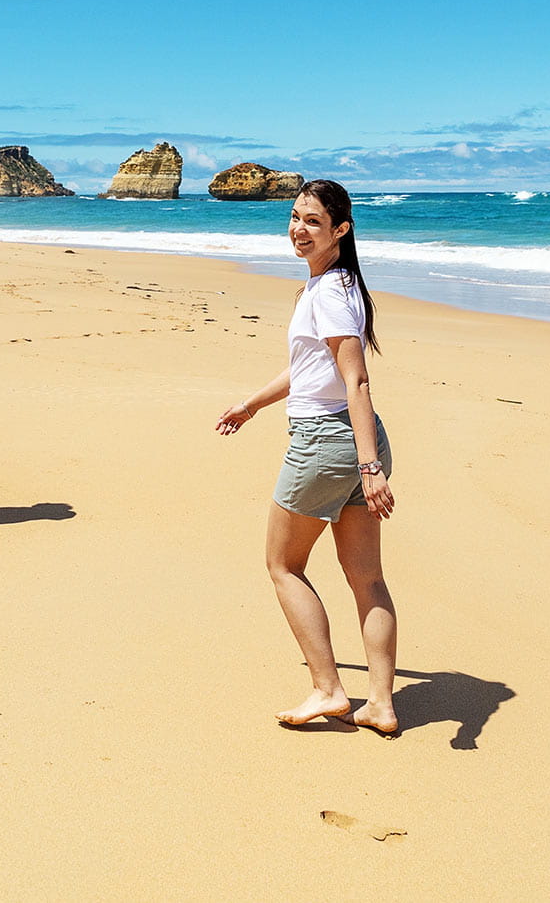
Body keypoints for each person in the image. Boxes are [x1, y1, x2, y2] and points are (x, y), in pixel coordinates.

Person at [215, 180, 399, 735]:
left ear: (340, 230)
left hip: (328, 444)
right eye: (295, 218)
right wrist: (252, 404)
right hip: (352, 441)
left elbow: (355, 381)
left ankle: (328, 690)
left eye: (313, 221)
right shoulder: (331, 286)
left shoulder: (331, 293)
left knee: (283, 565)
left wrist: (369, 469)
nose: (299, 229)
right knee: (367, 579)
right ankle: (381, 705)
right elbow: (307, 370)